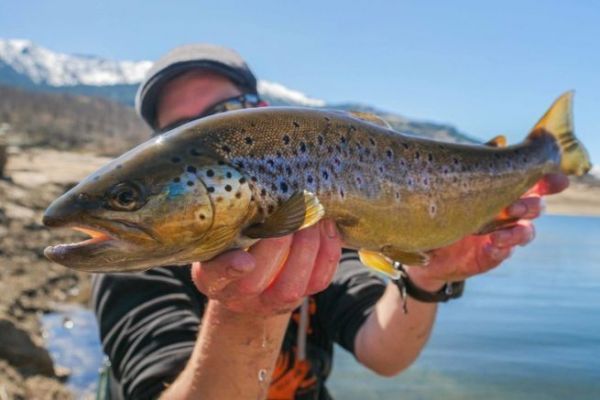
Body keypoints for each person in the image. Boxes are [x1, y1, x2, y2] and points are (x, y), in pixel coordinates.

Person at [92, 44, 568, 400]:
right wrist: (246, 313)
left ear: (262, 114)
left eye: (223, 114)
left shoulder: (318, 221)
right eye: (178, 130)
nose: (202, 130)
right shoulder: (136, 262)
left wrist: (428, 275)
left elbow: (384, 355)